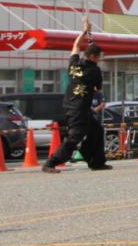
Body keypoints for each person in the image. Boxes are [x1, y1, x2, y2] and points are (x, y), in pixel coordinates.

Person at [43, 16, 110, 172]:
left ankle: (96, 162)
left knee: (96, 130)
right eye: (98, 57)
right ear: (93, 57)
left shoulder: (74, 63)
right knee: (74, 138)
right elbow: (98, 89)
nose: (99, 60)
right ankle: (51, 163)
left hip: (73, 106)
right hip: (79, 109)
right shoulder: (95, 70)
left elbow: (76, 45)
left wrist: (85, 31)